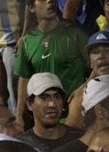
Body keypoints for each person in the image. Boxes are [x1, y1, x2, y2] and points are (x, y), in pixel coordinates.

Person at [14, 0, 88, 128]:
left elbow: (95, 69)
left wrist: (81, 91)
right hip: (44, 120)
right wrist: (19, 115)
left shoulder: (75, 34)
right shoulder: (27, 42)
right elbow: (24, 78)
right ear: (31, 8)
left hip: (74, 117)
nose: (50, 1)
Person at [18, 72, 83, 152]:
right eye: (44, 98)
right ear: (30, 104)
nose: (52, 104)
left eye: (57, 97)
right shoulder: (22, 147)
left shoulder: (81, 138)